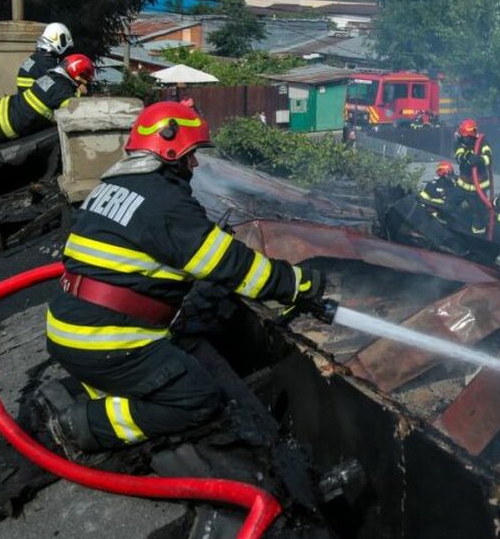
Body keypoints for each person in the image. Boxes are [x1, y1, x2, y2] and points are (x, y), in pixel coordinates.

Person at [36, 100, 328, 454]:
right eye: (191, 155)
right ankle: (83, 425)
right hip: (106, 343)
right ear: (170, 152)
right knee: (196, 399)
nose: (196, 164)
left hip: (69, 330)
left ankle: (104, 393)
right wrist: (297, 283)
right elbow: (234, 268)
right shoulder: (165, 203)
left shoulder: (109, 188)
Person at [453, 118, 494, 236]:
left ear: (470, 136)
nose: (461, 137)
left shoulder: (482, 142)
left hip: (479, 188)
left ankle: (478, 237)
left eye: (464, 136)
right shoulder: (459, 142)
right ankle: (454, 227)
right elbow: (458, 156)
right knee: (449, 204)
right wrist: (467, 156)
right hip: (462, 185)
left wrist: (479, 160)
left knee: (479, 216)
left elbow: (489, 158)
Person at [17, 23, 74, 91]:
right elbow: (58, 86)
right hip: (36, 96)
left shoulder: (37, 57)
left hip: (28, 94)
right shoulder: (46, 62)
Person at [415, 161, 466, 230]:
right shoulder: (432, 186)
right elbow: (422, 202)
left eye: (444, 172)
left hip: (450, 219)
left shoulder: (453, 185)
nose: (442, 174)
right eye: (440, 171)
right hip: (433, 220)